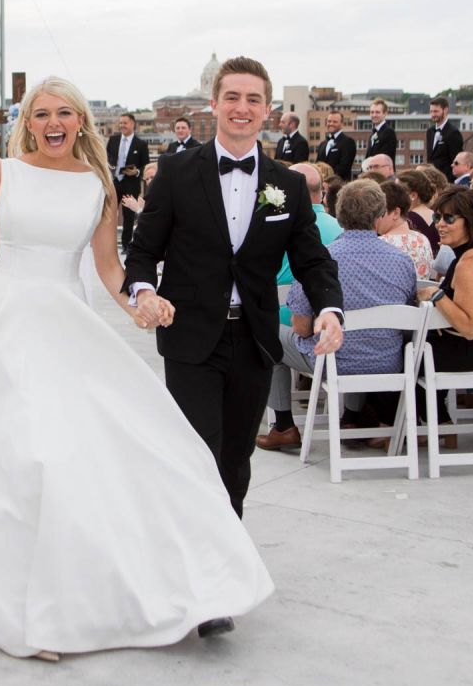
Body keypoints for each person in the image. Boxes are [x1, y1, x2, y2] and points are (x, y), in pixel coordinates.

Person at [0, 76, 273, 660]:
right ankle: (10, 597)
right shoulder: (2, 174)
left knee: (78, 451)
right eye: (41, 113)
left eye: (64, 112)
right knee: (16, 450)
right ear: (28, 122)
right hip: (4, 322)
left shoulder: (98, 185)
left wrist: (139, 302)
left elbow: (110, 267)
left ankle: (64, 593)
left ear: (80, 121)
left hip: (68, 324)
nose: (53, 123)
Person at [125, 55, 344, 520]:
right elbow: (143, 251)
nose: (242, 108)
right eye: (232, 97)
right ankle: (193, 549)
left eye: (253, 99)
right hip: (190, 337)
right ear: (214, 103)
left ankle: (229, 549)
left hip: (254, 340)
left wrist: (329, 308)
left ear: (267, 109)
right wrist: (144, 292)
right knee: (196, 453)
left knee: (236, 457)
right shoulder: (175, 172)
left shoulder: (288, 185)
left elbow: (313, 259)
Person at [258, 180, 417, 451]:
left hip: (333, 360)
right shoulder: (402, 261)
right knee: (357, 338)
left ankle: (283, 425)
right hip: (388, 360)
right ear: (380, 214)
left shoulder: (321, 260)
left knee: (267, 334)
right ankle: (351, 418)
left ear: (338, 212)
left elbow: (302, 327)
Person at [417, 187, 473, 434]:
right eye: (437, 217)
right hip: (458, 348)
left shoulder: (468, 262)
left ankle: (395, 430)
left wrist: (436, 294)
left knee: (398, 355)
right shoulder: (462, 257)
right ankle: (439, 422)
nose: (440, 224)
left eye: (449, 218)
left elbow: (469, 327)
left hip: (465, 352)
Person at [277, 162, 342, 325]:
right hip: (332, 320)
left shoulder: (275, 227)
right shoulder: (342, 229)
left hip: (282, 320)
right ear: (321, 194)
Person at [106, 113, 150, 252]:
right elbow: (106, 159)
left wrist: (136, 172)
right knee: (109, 214)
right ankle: (108, 244)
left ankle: (126, 245)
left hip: (131, 184)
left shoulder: (141, 144)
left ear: (132, 124)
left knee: (129, 216)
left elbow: (146, 165)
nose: (122, 125)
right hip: (114, 182)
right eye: (120, 123)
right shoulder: (113, 140)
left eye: (125, 123)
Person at [376, 179, 435, 279]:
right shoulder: (423, 239)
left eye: (380, 213)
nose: (375, 218)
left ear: (396, 213)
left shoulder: (381, 243)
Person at [398, 168, 440, 256]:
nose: (394, 195)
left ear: (413, 195)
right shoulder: (440, 217)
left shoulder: (404, 220)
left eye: (398, 192)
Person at [426, 97, 463, 182]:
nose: (433, 114)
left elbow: (456, 161)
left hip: (447, 181)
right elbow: (430, 158)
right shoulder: (430, 131)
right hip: (431, 181)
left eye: (436, 111)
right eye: (431, 111)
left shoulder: (453, 133)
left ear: (445, 110)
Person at [315, 110, 356, 182]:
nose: (331, 124)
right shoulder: (323, 144)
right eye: (329, 121)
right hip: (323, 183)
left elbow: (344, 166)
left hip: (340, 183)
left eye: (335, 122)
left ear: (342, 123)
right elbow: (318, 164)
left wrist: (328, 178)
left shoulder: (348, 142)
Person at [365, 98, 398, 162]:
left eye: (377, 112)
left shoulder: (389, 132)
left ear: (385, 114)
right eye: (372, 112)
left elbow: (384, 158)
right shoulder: (372, 134)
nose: (374, 115)